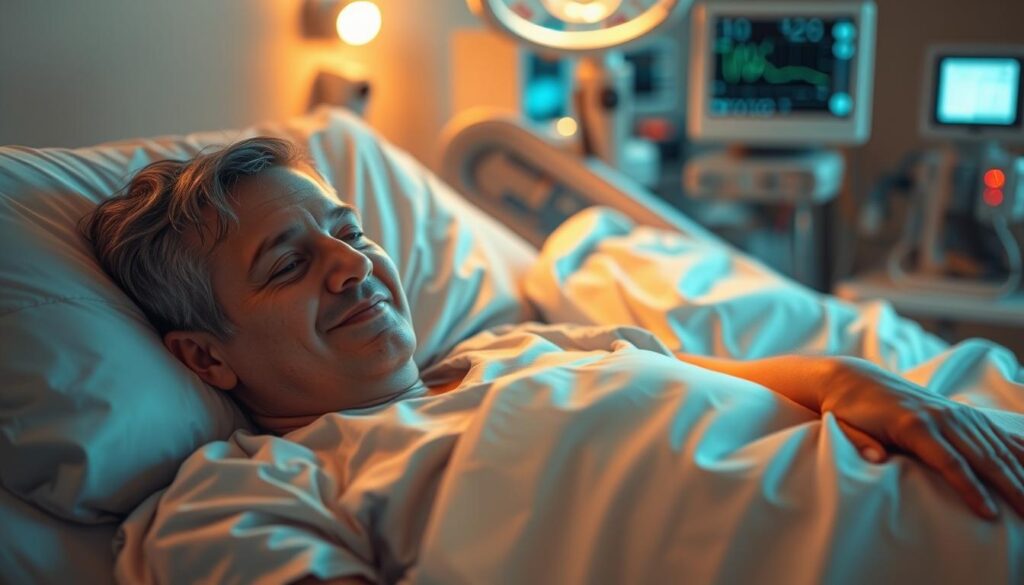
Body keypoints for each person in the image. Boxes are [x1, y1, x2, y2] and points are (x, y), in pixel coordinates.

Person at [83, 137, 1024, 583]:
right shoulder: (245, 493)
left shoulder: (516, 347)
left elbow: (732, 382)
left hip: (969, 465)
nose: (352, 266)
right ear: (204, 355)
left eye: (350, 231)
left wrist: (862, 382)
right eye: (289, 263)